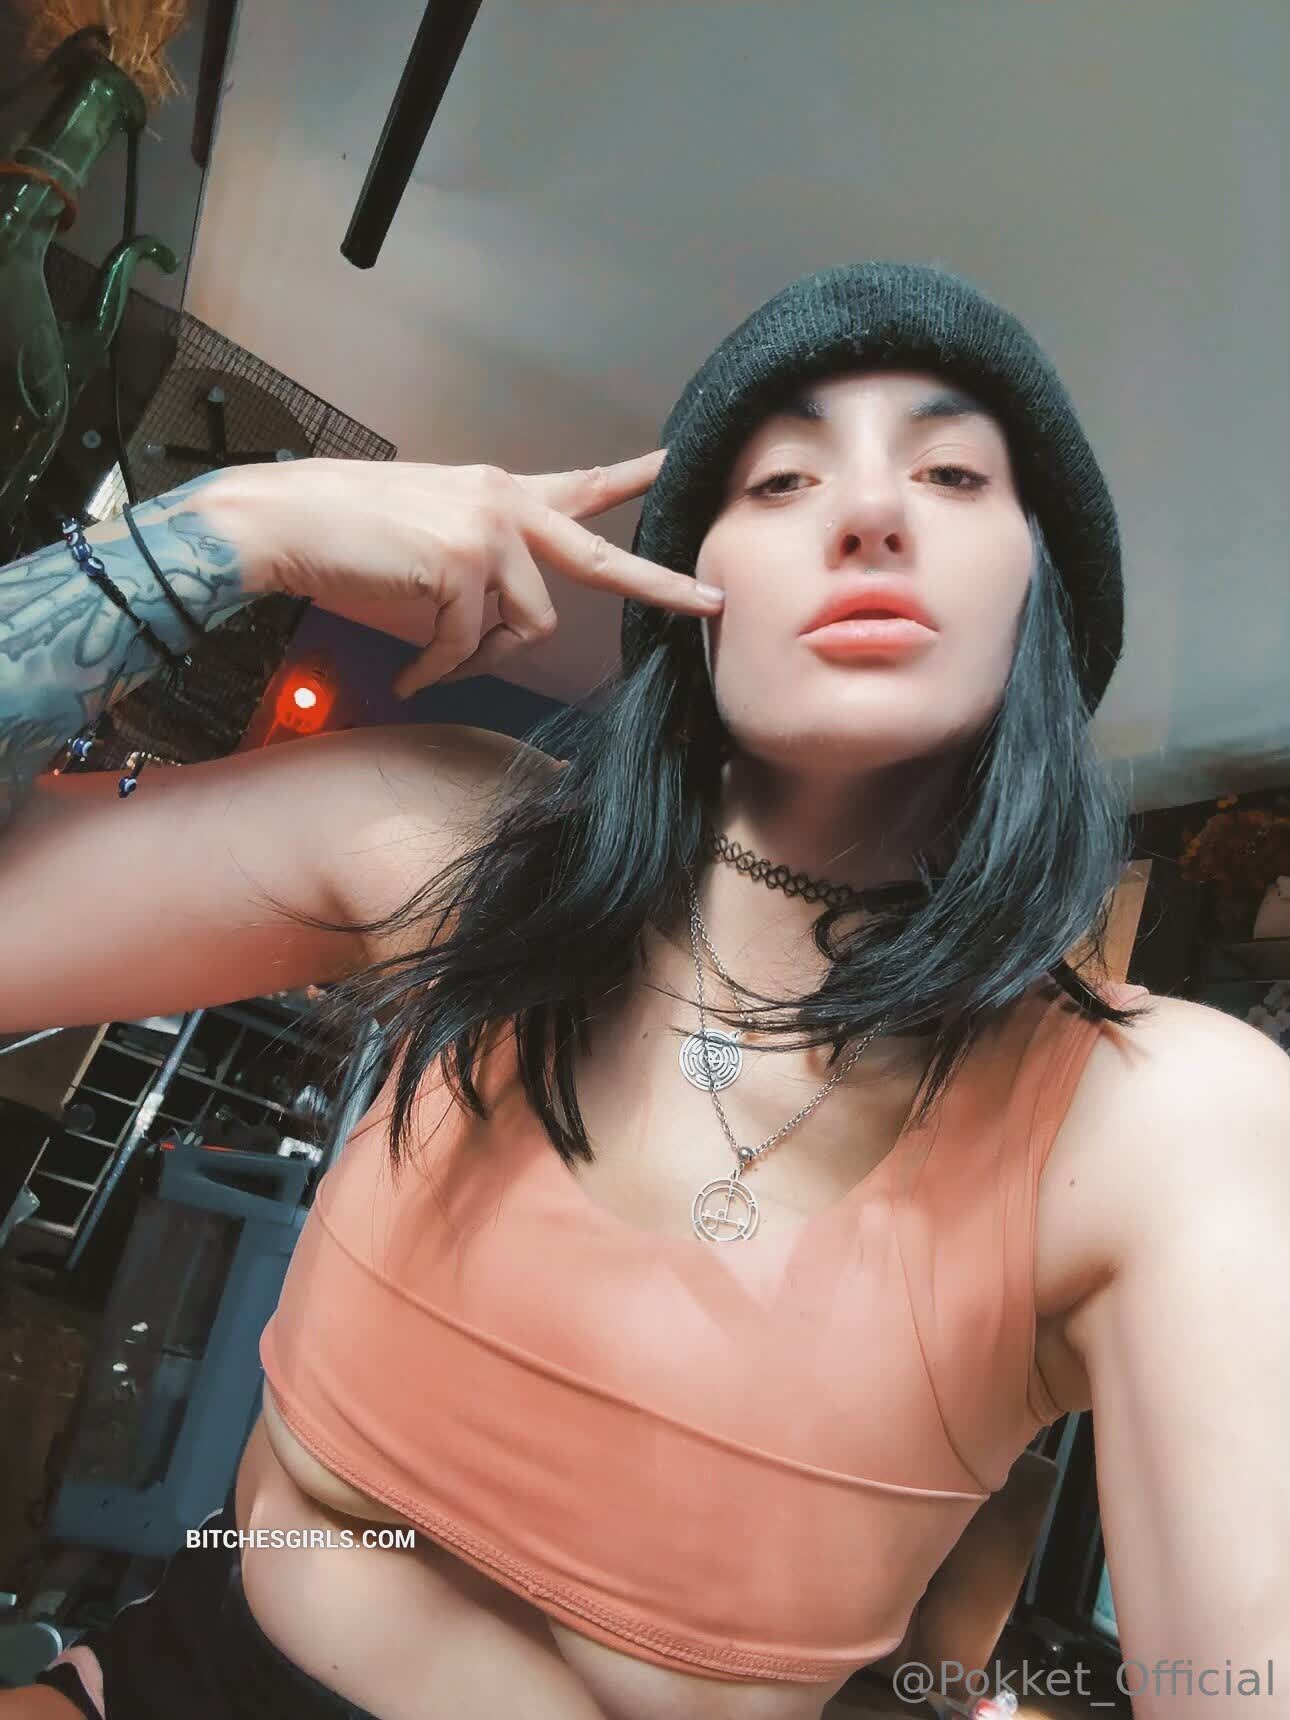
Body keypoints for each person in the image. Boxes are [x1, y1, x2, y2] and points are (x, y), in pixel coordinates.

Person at [0, 261, 1286, 1720]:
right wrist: (232, 528)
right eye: (782, 480)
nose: (870, 512)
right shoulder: (447, 846)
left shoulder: (1158, 1121)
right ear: (691, 592)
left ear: (1040, 598)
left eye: (949, 474)